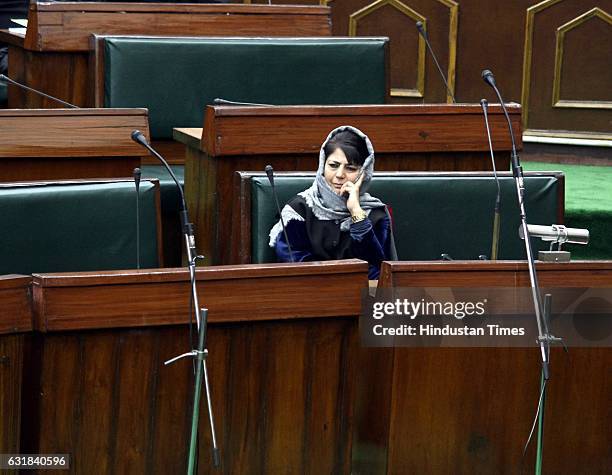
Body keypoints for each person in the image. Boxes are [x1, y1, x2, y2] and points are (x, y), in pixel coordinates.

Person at [269, 125, 396, 280]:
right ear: (322, 165)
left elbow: (377, 269)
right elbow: (294, 268)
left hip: (360, 299)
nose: (339, 175)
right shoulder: (298, 211)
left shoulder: (375, 213)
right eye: (333, 166)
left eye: (350, 168)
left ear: (364, 173)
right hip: (309, 297)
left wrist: (356, 212)